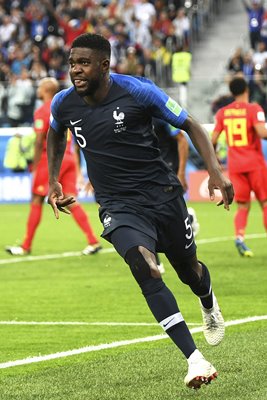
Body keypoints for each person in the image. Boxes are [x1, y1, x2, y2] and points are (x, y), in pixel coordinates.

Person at [46, 33, 234, 390]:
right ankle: (195, 360)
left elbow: (190, 124)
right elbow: (56, 133)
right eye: (72, 63)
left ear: (105, 65)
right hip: (118, 205)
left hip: (162, 197)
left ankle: (208, 303)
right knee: (144, 265)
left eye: (83, 63)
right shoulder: (63, 103)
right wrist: (54, 178)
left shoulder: (138, 91)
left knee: (189, 272)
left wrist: (215, 172)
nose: (75, 70)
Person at [6, 77, 101, 256]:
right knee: (71, 199)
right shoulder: (65, 107)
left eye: (40, 86)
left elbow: (40, 140)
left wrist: (34, 166)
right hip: (69, 158)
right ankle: (92, 240)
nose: (38, 90)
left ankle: (25, 246)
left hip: (50, 159)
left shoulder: (42, 110)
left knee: (36, 199)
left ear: (46, 90)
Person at [212, 76, 267, 257]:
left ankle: (240, 238)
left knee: (243, 206)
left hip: (235, 166)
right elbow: (261, 132)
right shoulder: (254, 109)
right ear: (247, 90)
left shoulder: (222, 113)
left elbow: (211, 140)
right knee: (265, 203)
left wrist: (213, 163)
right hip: (255, 164)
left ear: (232, 92)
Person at [152, 117, 200, 273]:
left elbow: (182, 140)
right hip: (150, 170)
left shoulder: (160, 116)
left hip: (169, 167)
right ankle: (156, 261)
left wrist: (181, 173)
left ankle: (187, 217)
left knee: (165, 214)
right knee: (150, 213)